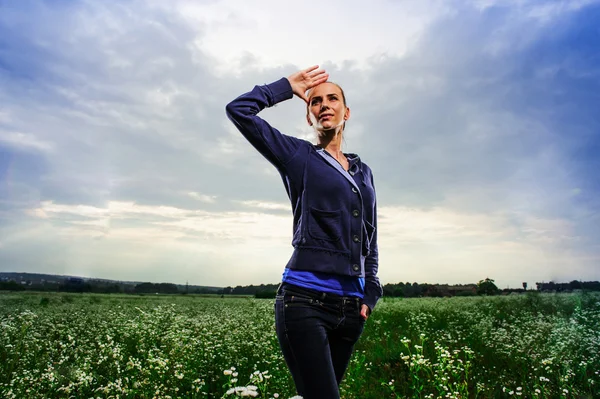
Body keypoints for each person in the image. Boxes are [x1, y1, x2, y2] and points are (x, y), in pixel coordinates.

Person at [225, 65, 382, 399]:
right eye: (315, 101)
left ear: (347, 111)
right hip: (304, 301)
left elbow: (370, 235)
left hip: (351, 309)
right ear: (310, 116)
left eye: (332, 98)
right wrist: (285, 87)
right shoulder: (298, 156)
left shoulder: (363, 172)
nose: (324, 105)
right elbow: (239, 110)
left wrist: (371, 291)